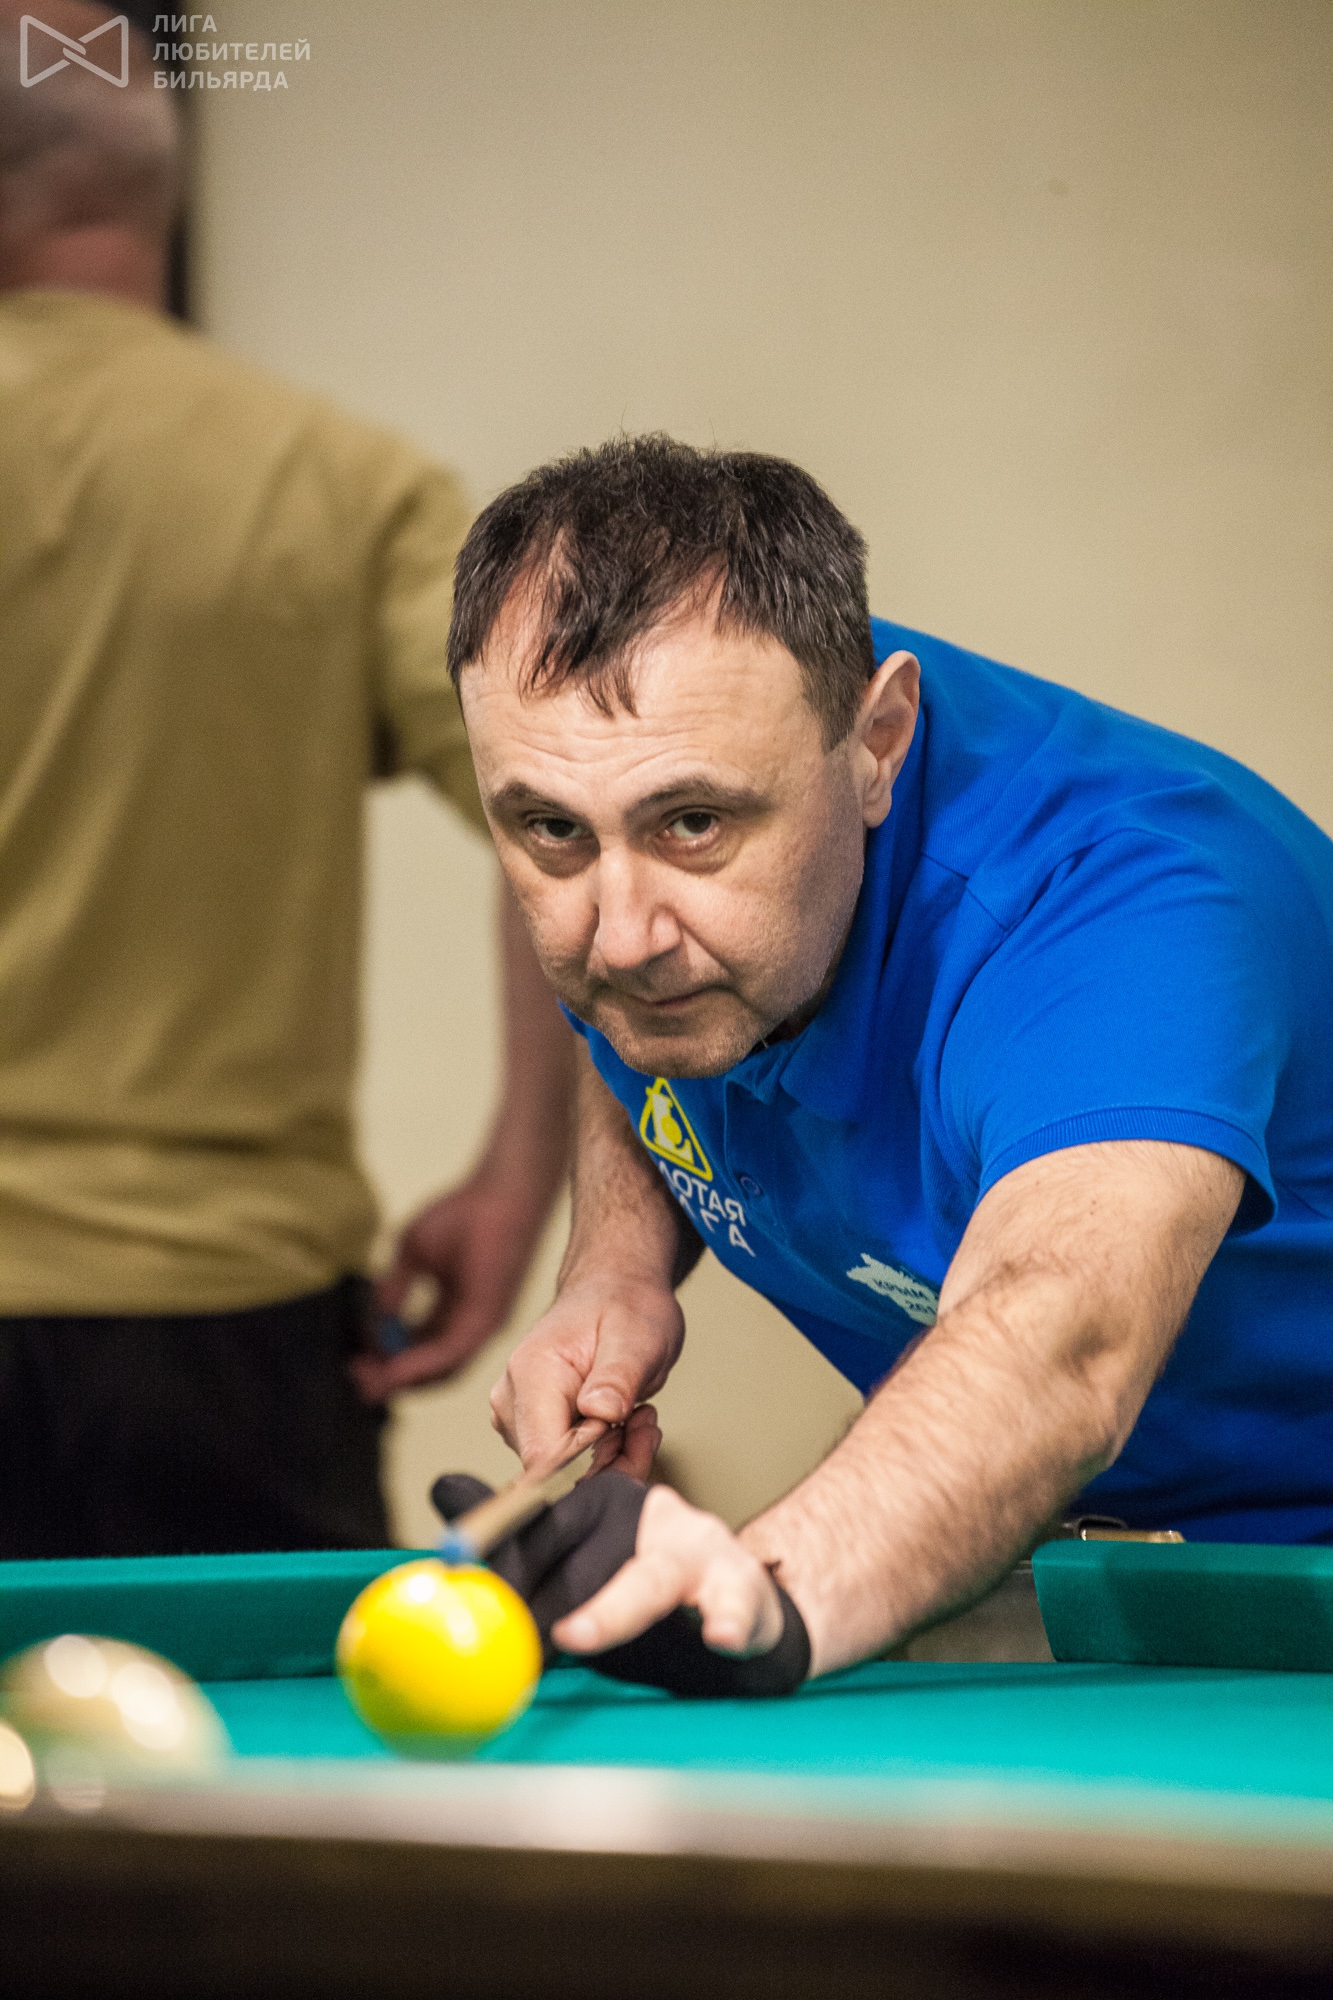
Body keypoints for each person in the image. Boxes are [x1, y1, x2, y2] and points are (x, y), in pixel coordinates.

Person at [438, 432, 1333, 1692]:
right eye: (548, 829)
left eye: (691, 824)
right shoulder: (673, 751)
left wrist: (762, 1585)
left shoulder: (1130, 918)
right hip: (1062, 1545)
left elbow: (1064, 1335)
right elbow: (630, 1013)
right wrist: (617, 1264)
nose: (620, 933)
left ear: (876, 741)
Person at [0, 1, 573, 1558]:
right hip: (226, 1325)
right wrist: (521, 1177)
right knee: (263, 1725)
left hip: (225, 1308)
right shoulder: (338, 484)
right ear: (157, 191)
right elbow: (557, 804)